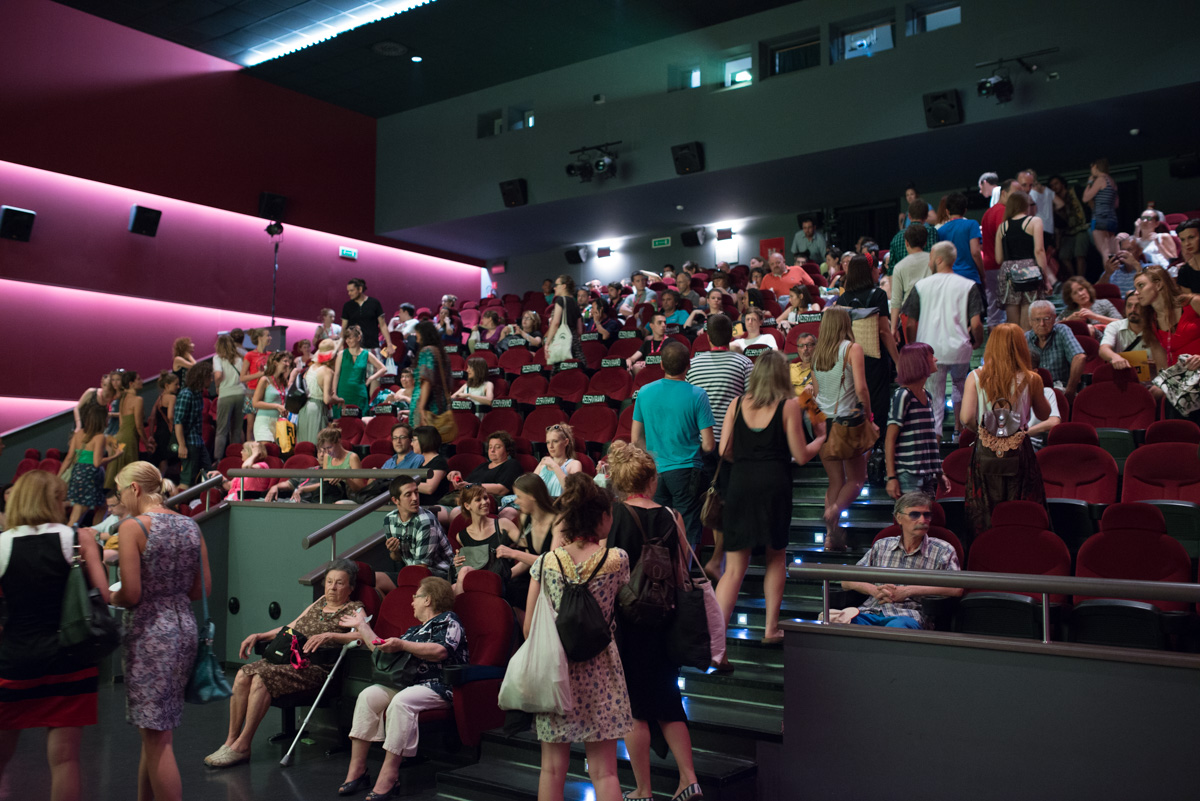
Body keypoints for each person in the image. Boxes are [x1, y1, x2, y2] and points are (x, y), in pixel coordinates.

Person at [0, 471, 110, 801]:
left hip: (16, 658)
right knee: (65, 761)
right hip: (70, 657)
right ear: (52, 501)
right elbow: (103, 595)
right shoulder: (76, 537)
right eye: (61, 498)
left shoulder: (2, 543)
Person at [602, 442, 702, 801]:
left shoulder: (615, 516)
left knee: (634, 708)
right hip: (665, 619)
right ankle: (689, 779)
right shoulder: (672, 515)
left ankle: (643, 789)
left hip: (628, 621)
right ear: (651, 479)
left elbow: (608, 572)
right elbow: (681, 571)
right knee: (668, 700)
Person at [527, 474, 632, 801]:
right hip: (601, 670)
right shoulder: (616, 560)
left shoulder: (546, 563)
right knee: (605, 772)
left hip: (556, 672)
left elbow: (529, 626)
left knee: (551, 770)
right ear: (602, 517)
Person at [110, 463, 212, 798]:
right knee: (156, 732)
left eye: (120, 491)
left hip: (149, 633)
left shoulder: (133, 527)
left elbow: (131, 594)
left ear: (135, 489)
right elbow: (202, 588)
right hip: (183, 628)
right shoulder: (189, 525)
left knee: (156, 739)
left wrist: (109, 595)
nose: (119, 499)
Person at [715, 351, 824, 657]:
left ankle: (716, 644)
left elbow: (724, 451)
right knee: (776, 556)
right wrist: (820, 439)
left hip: (740, 485)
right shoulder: (790, 404)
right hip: (774, 485)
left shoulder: (736, 404)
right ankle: (770, 628)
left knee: (733, 569)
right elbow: (800, 455)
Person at [204, 559, 362, 769]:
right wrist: (260, 635)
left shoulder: (354, 608)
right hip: (291, 660)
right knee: (243, 673)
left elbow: (362, 634)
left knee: (262, 678)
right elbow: (291, 628)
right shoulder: (320, 602)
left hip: (317, 668)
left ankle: (243, 745)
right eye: (329, 581)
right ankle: (230, 742)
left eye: (340, 583)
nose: (332, 587)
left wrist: (331, 635)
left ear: (351, 587)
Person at [338, 577, 467, 800]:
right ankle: (357, 769)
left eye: (416, 597)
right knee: (368, 695)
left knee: (401, 701)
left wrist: (403, 644)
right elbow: (382, 650)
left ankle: (389, 775)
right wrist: (362, 626)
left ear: (428, 599)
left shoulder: (449, 620)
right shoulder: (414, 630)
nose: (412, 602)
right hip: (408, 684)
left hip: (440, 686)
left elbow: (441, 651)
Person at [959, 324, 1052, 538]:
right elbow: (1045, 413)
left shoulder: (975, 377)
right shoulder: (1032, 378)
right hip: (1019, 448)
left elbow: (966, 418)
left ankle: (986, 547)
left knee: (985, 507)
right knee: (1020, 503)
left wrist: (984, 433)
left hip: (986, 449)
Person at [684, 313, 752, 578]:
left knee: (708, 502)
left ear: (707, 337)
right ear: (731, 334)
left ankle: (706, 561)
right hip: (731, 445)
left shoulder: (693, 365)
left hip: (700, 444)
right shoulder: (743, 363)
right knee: (722, 502)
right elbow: (751, 403)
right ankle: (719, 559)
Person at [833, 491, 962, 628]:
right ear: (899, 518)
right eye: (915, 515)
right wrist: (873, 590)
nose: (922, 520)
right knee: (832, 620)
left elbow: (956, 588)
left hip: (908, 615)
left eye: (927, 515)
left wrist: (909, 591)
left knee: (895, 628)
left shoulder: (943, 550)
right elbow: (847, 580)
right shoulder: (882, 545)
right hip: (871, 611)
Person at [631, 341, 715, 548]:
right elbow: (709, 445)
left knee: (660, 531)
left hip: (655, 472)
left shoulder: (644, 392)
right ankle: (684, 569)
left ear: (661, 365)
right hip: (687, 471)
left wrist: (654, 457)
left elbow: (635, 439)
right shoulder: (698, 395)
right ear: (688, 366)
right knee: (686, 533)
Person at [903, 241, 985, 438]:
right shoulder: (968, 285)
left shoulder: (921, 286)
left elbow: (910, 323)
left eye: (931, 257)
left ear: (939, 260)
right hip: (960, 348)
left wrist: (914, 346)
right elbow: (976, 324)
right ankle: (960, 431)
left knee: (935, 397)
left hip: (931, 351)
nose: (929, 262)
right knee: (960, 386)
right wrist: (978, 341)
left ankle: (936, 442)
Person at [812, 308, 876, 551]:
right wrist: (868, 416)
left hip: (823, 425)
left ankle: (831, 538)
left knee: (835, 482)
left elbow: (814, 394)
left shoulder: (817, 353)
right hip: (847, 424)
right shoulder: (852, 349)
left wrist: (817, 424)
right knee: (857, 480)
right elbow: (861, 389)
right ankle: (833, 512)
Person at [833, 255, 900, 431]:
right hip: (874, 358)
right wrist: (897, 361)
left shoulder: (842, 299)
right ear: (868, 271)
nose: (878, 271)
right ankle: (877, 440)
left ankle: (861, 438)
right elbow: (884, 331)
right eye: (875, 268)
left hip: (851, 358)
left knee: (857, 399)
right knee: (878, 401)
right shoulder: (878, 295)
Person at [1136, 266, 1200, 420]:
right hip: (1182, 379)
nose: (1137, 293)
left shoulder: (1193, 303)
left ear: (1158, 284)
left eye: (1141, 286)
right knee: (1157, 395)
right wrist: (1162, 386)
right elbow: (1162, 368)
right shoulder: (1151, 322)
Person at [375, 475, 455, 596]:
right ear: (395, 500)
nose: (415, 498)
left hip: (440, 575)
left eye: (416, 492)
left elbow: (422, 568)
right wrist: (395, 551)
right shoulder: (389, 519)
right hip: (412, 572)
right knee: (375, 579)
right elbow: (396, 558)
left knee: (412, 583)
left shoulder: (425, 521)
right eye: (408, 494)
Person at [495, 473, 560, 616]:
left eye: (519, 496)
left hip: (553, 579)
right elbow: (528, 559)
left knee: (517, 593)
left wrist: (513, 553)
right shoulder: (525, 517)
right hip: (533, 574)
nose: (516, 501)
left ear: (532, 496)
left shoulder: (557, 522)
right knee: (505, 588)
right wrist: (505, 576)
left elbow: (552, 563)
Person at [885, 345, 944, 499]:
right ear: (920, 362)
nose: (936, 359)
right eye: (931, 356)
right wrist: (891, 477)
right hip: (908, 474)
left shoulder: (927, 396)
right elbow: (890, 439)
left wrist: (939, 472)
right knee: (912, 512)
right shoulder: (903, 395)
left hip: (926, 473)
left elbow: (930, 440)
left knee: (927, 512)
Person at [450, 485, 522, 594]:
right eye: (478, 500)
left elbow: (529, 551)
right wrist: (458, 562)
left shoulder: (503, 524)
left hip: (503, 582)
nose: (485, 502)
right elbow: (475, 562)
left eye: (485, 497)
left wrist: (507, 574)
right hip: (479, 583)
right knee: (454, 585)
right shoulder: (461, 536)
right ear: (467, 506)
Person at [995, 188, 1051, 329]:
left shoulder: (1002, 227)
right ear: (1026, 205)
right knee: (1028, 323)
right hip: (1029, 272)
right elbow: (1039, 250)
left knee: (1013, 325)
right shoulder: (1034, 221)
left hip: (1008, 273)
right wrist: (1046, 279)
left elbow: (999, 258)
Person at [61, 403, 119, 525]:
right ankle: (72, 533)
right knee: (78, 513)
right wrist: (115, 456)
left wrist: (58, 476)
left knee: (98, 507)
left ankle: (90, 531)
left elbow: (69, 458)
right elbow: (97, 463)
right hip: (89, 477)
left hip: (78, 474)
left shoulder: (78, 433)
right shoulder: (100, 437)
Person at [1026, 301, 1086, 400]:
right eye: (1037, 319)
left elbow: (1080, 357)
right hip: (1034, 392)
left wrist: (1070, 391)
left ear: (1054, 318)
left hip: (1061, 390)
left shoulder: (1062, 331)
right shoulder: (1025, 338)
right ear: (1030, 321)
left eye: (1046, 319)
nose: (1042, 324)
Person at [446, 431, 522, 505]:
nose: (492, 450)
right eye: (490, 447)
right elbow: (466, 484)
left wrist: (471, 486)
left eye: (497, 447)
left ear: (508, 450)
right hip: (461, 499)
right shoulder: (483, 465)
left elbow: (501, 489)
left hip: (482, 503)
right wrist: (457, 477)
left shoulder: (512, 464)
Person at [331, 325, 387, 420]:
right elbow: (336, 375)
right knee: (341, 422)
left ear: (358, 338)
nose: (348, 341)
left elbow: (383, 368)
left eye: (350, 338)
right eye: (346, 338)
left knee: (360, 421)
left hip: (359, 393)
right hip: (342, 393)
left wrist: (371, 378)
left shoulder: (366, 354)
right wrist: (334, 393)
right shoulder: (341, 354)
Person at [174, 361, 214, 487]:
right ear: (202, 377)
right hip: (190, 442)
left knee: (209, 473)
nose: (212, 380)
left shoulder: (198, 394)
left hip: (198, 441)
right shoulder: (187, 394)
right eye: (209, 376)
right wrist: (182, 445)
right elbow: (178, 422)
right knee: (187, 480)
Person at [104, 370, 146, 489]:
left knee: (117, 478)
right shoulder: (138, 400)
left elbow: (122, 423)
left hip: (119, 438)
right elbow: (139, 425)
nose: (142, 381)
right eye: (138, 379)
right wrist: (146, 443)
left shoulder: (123, 399)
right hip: (129, 439)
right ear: (131, 383)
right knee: (128, 479)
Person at [889, 223, 932, 335]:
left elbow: (896, 300)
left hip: (908, 315)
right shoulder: (933, 261)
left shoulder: (899, 267)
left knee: (913, 346)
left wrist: (893, 328)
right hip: (931, 311)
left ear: (906, 243)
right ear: (925, 242)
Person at [410, 321, 453, 431]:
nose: (416, 336)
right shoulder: (440, 353)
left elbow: (426, 381)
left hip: (427, 404)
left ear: (423, 334)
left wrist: (421, 407)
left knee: (424, 437)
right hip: (440, 403)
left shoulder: (427, 351)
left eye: (417, 333)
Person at [1048, 174, 1090, 280]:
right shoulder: (1054, 202)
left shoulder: (1074, 192)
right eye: (1052, 185)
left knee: (1079, 254)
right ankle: (1073, 279)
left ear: (1062, 184)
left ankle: (1081, 279)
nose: (1054, 187)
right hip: (1067, 232)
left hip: (1081, 227)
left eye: (1056, 184)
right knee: (1063, 256)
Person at [936, 192, 983, 284]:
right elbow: (975, 252)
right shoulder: (972, 224)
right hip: (971, 277)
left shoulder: (940, 231)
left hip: (950, 279)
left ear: (947, 211)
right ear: (965, 210)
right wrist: (983, 275)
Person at [342, 277, 395, 356]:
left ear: (360, 289)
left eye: (352, 290)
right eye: (348, 291)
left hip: (372, 346)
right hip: (353, 349)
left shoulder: (374, 303)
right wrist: (341, 344)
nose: (349, 293)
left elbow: (383, 325)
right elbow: (343, 327)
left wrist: (389, 344)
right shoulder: (347, 306)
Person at [212, 334, 245, 460]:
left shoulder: (217, 358)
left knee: (221, 430)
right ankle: (235, 458)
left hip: (226, 394)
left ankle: (218, 459)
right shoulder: (239, 358)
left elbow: (218, 375)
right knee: (236, 429)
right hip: (240, 393)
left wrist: (217, 386)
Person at [298, 339, 335, 444]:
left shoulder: (311, 368)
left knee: (304, 444)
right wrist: (339, 400)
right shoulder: (327, 371)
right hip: (317, 408)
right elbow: (327, 399)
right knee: (317, 444)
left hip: (304, 408)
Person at [1099, 290, 1148, 371]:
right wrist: (1115, 357)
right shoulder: (1114, 326)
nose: (1133, 310)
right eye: (1129, 306)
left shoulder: (1156, 327)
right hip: (1124, 375)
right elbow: (1103, 349)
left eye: (1138, 306)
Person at [251, 351, 292, 444]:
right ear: (275, 363)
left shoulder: (284, 381)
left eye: (288, 362)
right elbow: (255, 403)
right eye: (285, 361)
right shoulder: (264, 380)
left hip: (280, 422)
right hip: (264, 421)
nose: (288, 364)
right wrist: (276, 406)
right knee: (267, 449)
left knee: (277, 451)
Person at [1083, 158, 1120, 260]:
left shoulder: (1100, 179)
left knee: (1104, 251)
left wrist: (1089, 182)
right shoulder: (1111, 181)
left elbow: (1085, 198)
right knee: (1112, 251)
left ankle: (1109, 270)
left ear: (1095, 167)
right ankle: (1116, 269)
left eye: (1091, 167)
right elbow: (1116, 204)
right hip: (1112, 218)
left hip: (1099, 218)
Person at [888, 200, 938, 274]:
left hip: (903, 278)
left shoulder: (896, 237)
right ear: (926, 217)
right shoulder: (931, 232)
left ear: (909, 216)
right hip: (926, 276)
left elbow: (891, 269)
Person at [240, 328, 272, 438]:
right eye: (267, 335)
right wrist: (260, 374)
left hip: (266, 392)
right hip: (252, 392)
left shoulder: (270, 355)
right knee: (251, 425)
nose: (270, 338)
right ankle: (250, 446)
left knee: (265, 423)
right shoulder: (249, 355)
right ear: (260, 338)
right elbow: (242, 378)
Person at [546, 274, 585, 365]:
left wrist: (547, 342)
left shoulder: (560, 300)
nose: (554, 288)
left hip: (562, 341)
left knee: (561, 371)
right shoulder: (575, 303)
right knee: (575, 370)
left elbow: (555, 323)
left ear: (564, 286)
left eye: (556, 285)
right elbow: (579, 330)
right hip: (574, 342)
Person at [537, 423, 582, 498]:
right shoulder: (543, 463)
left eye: (555, 441)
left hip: (561, 504)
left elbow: (574, 491)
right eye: (548, 442)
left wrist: (554, 466)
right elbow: (529, 487)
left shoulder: (574, 464)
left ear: (566, 442)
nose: (550, 446)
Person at [412, 425, 452, 512]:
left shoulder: (439, 462)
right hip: (420, 506)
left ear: (424, 440)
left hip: (434, 508)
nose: (411, 444)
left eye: (414, 440)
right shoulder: (420, 462)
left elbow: (429, 488)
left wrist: (406, 485)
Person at [148, 372, 180, 472]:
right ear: (167, 385)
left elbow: (152, 417)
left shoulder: (159, 398)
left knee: (162, 460)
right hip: (168, 434)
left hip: (159, 433)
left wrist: (151, 435)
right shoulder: (172, 397)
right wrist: (175, 427)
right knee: (168, 460)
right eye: (176, 384)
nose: (178, 387)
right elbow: (170, 416)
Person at [1172, 219, 1200, 293]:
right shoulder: (1184, 271)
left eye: (1191, 237)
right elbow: (1189, 298)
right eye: (1183, 240)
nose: (1187, 243)